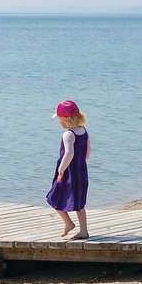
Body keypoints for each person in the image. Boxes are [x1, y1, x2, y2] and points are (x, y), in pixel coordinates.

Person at [45, 100, 91, 240]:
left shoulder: (68, 134)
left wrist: (61, 170)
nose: (59, 121)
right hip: (81, 171)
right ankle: (83, 230)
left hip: (68, 172)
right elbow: (88, 151)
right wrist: (81, 163)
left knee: (53, 197)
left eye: (59, 118)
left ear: (65, 119)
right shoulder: (83, 131)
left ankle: (68, 223)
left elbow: (69, 153)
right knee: (79, 202)